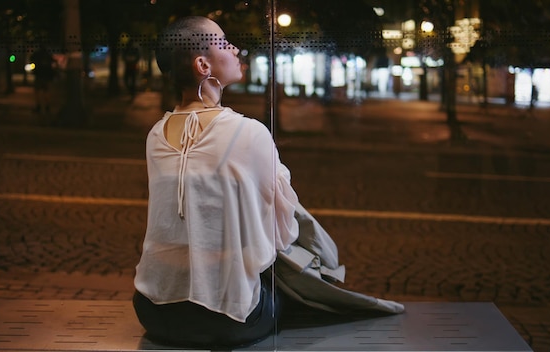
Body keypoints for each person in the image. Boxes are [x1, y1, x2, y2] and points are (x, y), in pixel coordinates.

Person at [133, 16, 404, 349]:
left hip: (152, 308)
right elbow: (282, 232)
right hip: (225, 316)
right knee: (291, 297)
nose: (234, 48)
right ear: (203, 64)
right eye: (223, 43)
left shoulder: (155, 135)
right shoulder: (248, 133)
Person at [29, 44, 56, 113]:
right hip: (46, 76)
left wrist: (34, 69)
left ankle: (39, 106)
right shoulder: (48, 55)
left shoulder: (37, 54)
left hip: (39, 75)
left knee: (37, 91)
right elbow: (54, 62)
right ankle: (47, 106)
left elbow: (31, 59)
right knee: (46, 91)